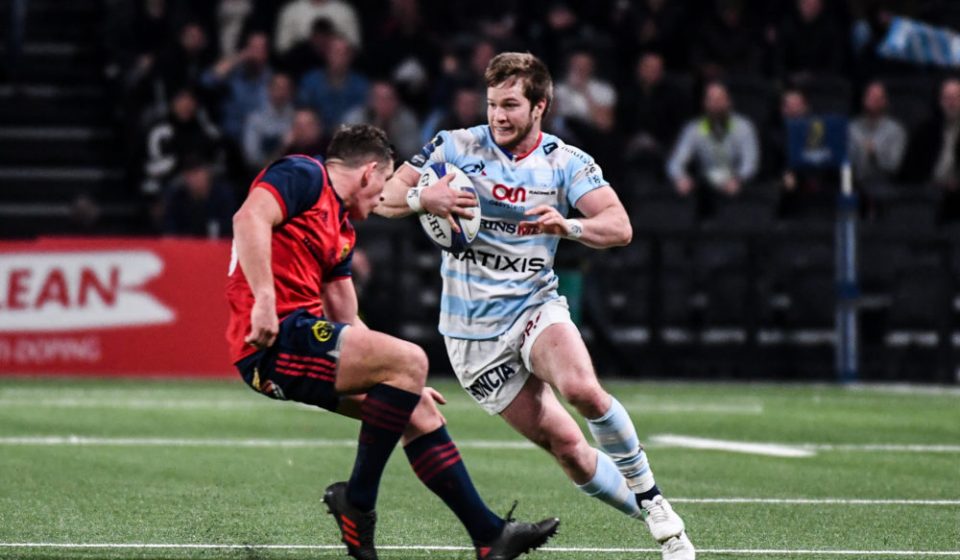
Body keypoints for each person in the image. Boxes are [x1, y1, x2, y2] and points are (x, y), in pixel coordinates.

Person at [376, 52, 696, 560]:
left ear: (539, 106)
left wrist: (567, 226)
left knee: (582, 390)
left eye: (510, 105)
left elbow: (620, 226)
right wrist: (423, 198)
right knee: (568, 449)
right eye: (491, 104)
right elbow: (381, 198)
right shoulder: (455, 147)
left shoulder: (565, 162)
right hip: (470, 336)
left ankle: (658, 506)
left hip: (533, 307)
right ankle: (657, 518)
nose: (498, 116)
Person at [226, 123, 558, 560]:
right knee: (410, 359)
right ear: (368, 173)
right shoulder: (304, 174)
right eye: (382, 184)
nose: (381, 197)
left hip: (303, 339)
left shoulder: (341, 231)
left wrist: (400, 379)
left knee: (416, 408)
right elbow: (248, 217)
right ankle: (358, 502)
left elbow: (348, 321)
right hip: (273, 340)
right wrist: (264, 301)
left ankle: (489, 535)